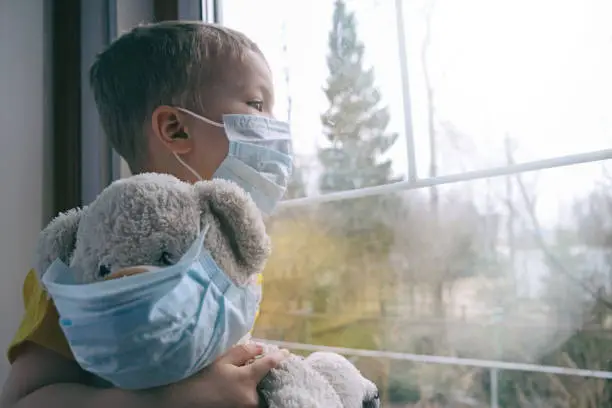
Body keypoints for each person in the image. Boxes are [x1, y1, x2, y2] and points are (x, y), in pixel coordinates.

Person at [0, 21, 290, 408]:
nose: (276, 125)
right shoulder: (77, 261)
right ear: (175, 128)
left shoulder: (231, 253)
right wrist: (175, 401)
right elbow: (23, 400)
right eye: (256, 105)